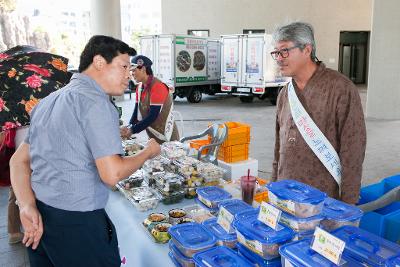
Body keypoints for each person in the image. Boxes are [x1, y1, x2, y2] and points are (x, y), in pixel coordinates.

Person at [9, 35, 161, 267]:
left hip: (41, 219)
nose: (128, 76)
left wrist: (27, 205)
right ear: (99, 62)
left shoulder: (48, 101)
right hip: (78, 226)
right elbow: (112, 174)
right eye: (123, 67)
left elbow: (18, 162)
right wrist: (147, 152)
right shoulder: (96, 102)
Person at [271, 22, 366, 204]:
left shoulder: (340, 88)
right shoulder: (285, 93)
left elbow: (353, 149)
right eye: (276, 53)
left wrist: (348, 203)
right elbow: (278, 148)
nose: (279, 58)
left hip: (323, 198)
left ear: (307, 49)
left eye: (284, 51)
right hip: (285, 195)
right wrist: (274, 186)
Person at [120, 55, 179, 144]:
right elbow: (136, 112)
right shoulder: (139, 87)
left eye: (134, 70)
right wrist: (129, 126)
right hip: (153, 136)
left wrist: (132, 130)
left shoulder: (158, 86)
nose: (131, 74)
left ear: (143, 69)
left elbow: (153, 116)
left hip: (168, 138)